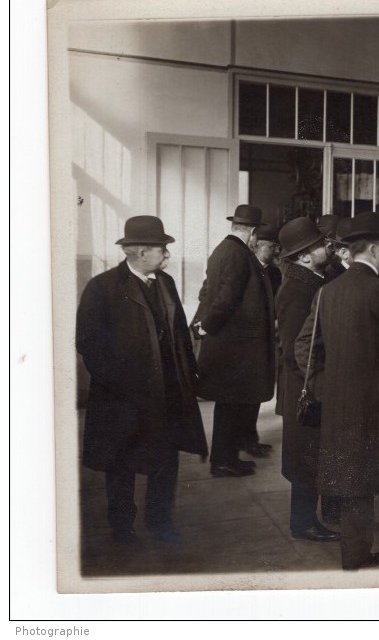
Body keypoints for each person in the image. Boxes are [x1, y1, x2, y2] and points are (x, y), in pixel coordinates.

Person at [295, 211, 379, 570]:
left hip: (342, 408)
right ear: (373, 248)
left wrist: (325, 387)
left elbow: (304, 345)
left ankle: (354, 556)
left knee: (353, 481)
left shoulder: (327, 292)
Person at [76, 216, 209, 546]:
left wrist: (189, 375)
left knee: (166, 460)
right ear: (138, 252)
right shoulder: (103, 287)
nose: (167, 255)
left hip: (167, 395)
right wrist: (121, 384)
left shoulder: (165, 283)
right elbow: (88, 343)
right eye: (162, 249)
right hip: (123, 399)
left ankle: (161, 522)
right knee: (120, 464)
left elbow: (179, 334)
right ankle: (122, 529)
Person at [196, 204, 276, 476]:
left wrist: (206, 325)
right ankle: (223, 461)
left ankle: (226, 457)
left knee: (229, 404)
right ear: (252, 232)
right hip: (236, 345)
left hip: (230, 343)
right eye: (256, 235)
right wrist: (207, 325)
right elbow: (226, 298)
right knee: (230, 405)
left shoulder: (223, 250)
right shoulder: (239, 254)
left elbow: (210, 291)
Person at [274, 217, 340, 543]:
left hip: (315, 383)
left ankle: (327, 511)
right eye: (318, 244)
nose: (325, 246)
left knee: (316, 454)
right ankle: (302, 524)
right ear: (303, 256)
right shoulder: (296, 290)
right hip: (305, 388)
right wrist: (317, 384)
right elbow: (293, 349)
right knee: (305, 458)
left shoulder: (315, 280)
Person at [254, 226, 282, 295]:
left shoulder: (276, 273)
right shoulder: (247, 269)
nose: (277, 251)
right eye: (273, 246)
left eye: (278, 247)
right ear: (257, 245)